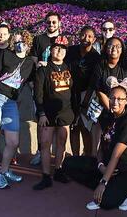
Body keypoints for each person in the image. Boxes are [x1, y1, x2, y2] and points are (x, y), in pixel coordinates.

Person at [63, 77, 127, 211]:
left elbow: (116, 155)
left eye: (120, 99)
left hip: (124, 171)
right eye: (112, 98)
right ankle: (105, 186)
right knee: (68, 164)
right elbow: (102, 146)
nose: (115, 102)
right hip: (106, 166)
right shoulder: (106, 116)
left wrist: (103, 183)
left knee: (105, 203)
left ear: (126, 101)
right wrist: (100, 165)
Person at [0, 30, 36, 189]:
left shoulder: (29, 63)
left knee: (13, 141)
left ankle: (4, 170)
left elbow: (31, 84)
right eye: (17, 41)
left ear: (28, 44)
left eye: (23, 42)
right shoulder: (4, 54)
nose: (20, 44)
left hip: (10, 102)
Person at [33, 35, 75, 190]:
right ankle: (45, 176)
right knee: (45, 144)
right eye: (56, 48)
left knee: (61, 143)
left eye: (62, 49)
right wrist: (41, 113)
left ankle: (58, 170)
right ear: (51, 50)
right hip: (47, 114)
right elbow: (37, 94)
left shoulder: (69, 67)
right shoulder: (43, 69)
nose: (59, 51)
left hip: (65, 112)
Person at [89, 37, 127, 155]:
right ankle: (96, 160)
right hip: (106, 107)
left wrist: (120, 110)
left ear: (122, 49)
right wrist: (111, 108)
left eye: (117, 46)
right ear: (105, 48)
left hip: (124, 108)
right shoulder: (100, 66)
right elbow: (99, 90)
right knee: (100, 132)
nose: (114, 48)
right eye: (110, 45)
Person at [29, 11, 62, 165]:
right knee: (41, 119)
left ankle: (56, 155)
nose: (51, 25)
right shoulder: (39, 39)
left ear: (59, 23)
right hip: (41, 85)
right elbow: (33, 60)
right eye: (48, 22)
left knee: (58, 122)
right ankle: (41, 152)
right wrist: (39, 66)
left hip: (57, 86)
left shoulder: (63, 39)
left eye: (54, 22)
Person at [66, 26, 101, 157]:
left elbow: (94, 82)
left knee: (85, 127)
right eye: (83, 35)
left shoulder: (96, 57)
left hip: (87, 94)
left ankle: (86, 157)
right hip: (70, 93)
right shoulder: (71, 51)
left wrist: (85, 102)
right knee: (74, 127)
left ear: (94, 39)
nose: (86, 39)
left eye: (90, 36)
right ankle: (75, 158)